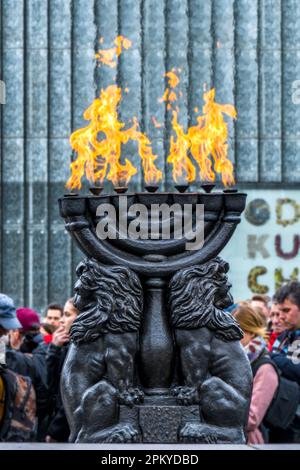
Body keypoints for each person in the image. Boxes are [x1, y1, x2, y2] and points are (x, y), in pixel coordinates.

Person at [234, 305, 278, 444]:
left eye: (237, 331)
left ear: (251, 332)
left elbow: (252, 418)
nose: (230, 337)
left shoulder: (265, 368)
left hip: (249, 442)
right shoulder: (235, 360)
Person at [45, 298, 79, 442]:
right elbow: (50, 383)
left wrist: (55, 432)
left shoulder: (79, 349)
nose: (61, 320)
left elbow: (72, 396)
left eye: (67, 314)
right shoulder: (67, 346)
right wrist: (54, 349)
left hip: (66, 431)